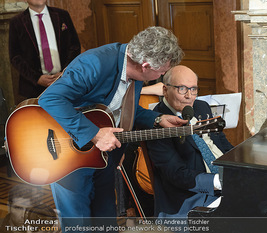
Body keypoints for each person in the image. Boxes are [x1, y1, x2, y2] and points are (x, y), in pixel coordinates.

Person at [38, 26, 186, 232]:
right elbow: (50, 98)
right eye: (161, 72)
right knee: (76, 224)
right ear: (145, 65)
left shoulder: (133, 71)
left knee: (105, 220)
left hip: (104, 157)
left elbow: (119, 109)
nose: (161, 76)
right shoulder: (95, 63)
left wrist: (157, 118)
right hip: (66, 154)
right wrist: (95, 134)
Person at [146, 65, 234, 219]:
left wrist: (242, 169)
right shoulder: (155, 122)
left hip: (227, 183)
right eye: (182, 89)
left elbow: (223, 145)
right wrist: (218, 180)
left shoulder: (202, 106)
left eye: (193, 89)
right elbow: (175, 174)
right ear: (165, 90)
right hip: (192, 198)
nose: (190, 96)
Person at [9, 0, 81, 100]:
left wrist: (65, 72)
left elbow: (75, 46)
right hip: (34, 87)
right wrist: (37, 78)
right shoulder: (16, 22)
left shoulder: (62, 15)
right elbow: (15, 57)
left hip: (64, 81)